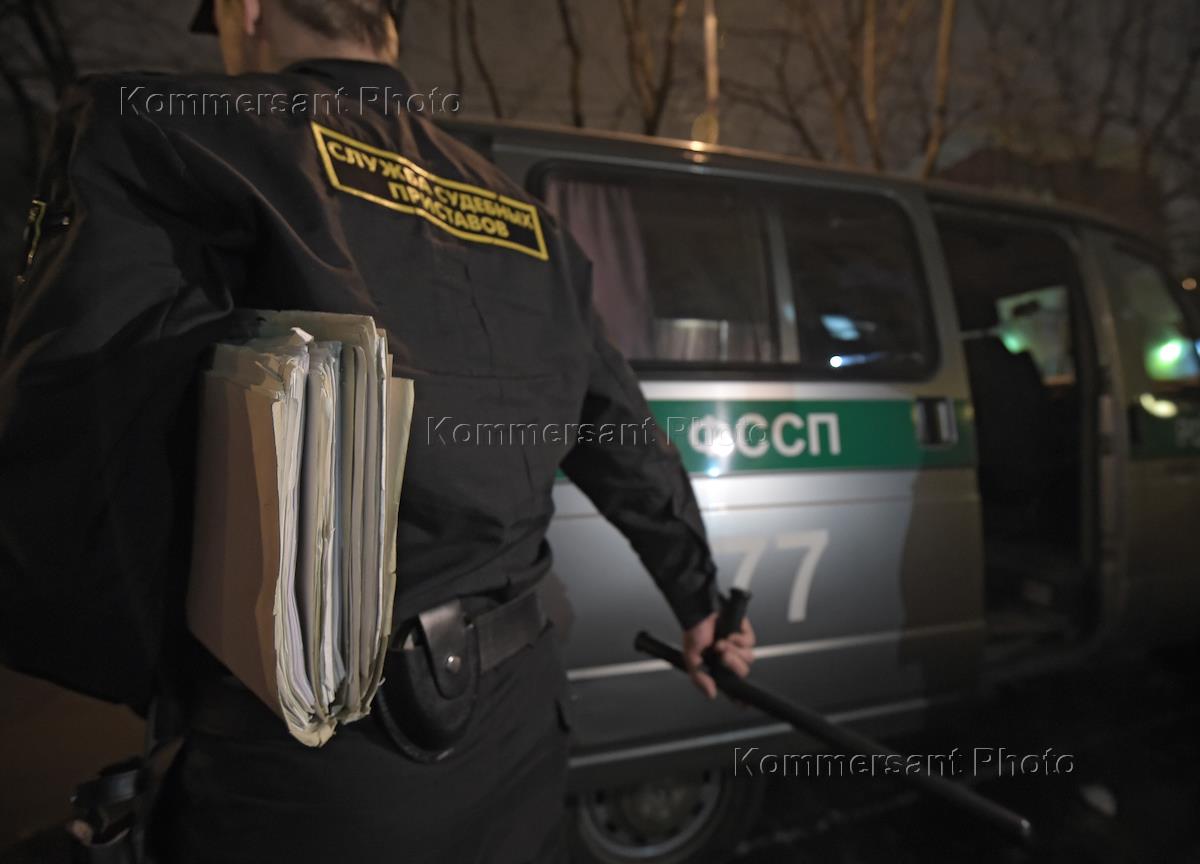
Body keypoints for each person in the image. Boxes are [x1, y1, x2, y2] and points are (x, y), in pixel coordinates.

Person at [0, 0, 756, 861]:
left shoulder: (177, 134)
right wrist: (700, 603)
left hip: (314, 758)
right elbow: (624, 437)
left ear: (249, 11)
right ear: (386, 28)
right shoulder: (530, 220)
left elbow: (73, 435)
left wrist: (162, 676)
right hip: (522, 726)